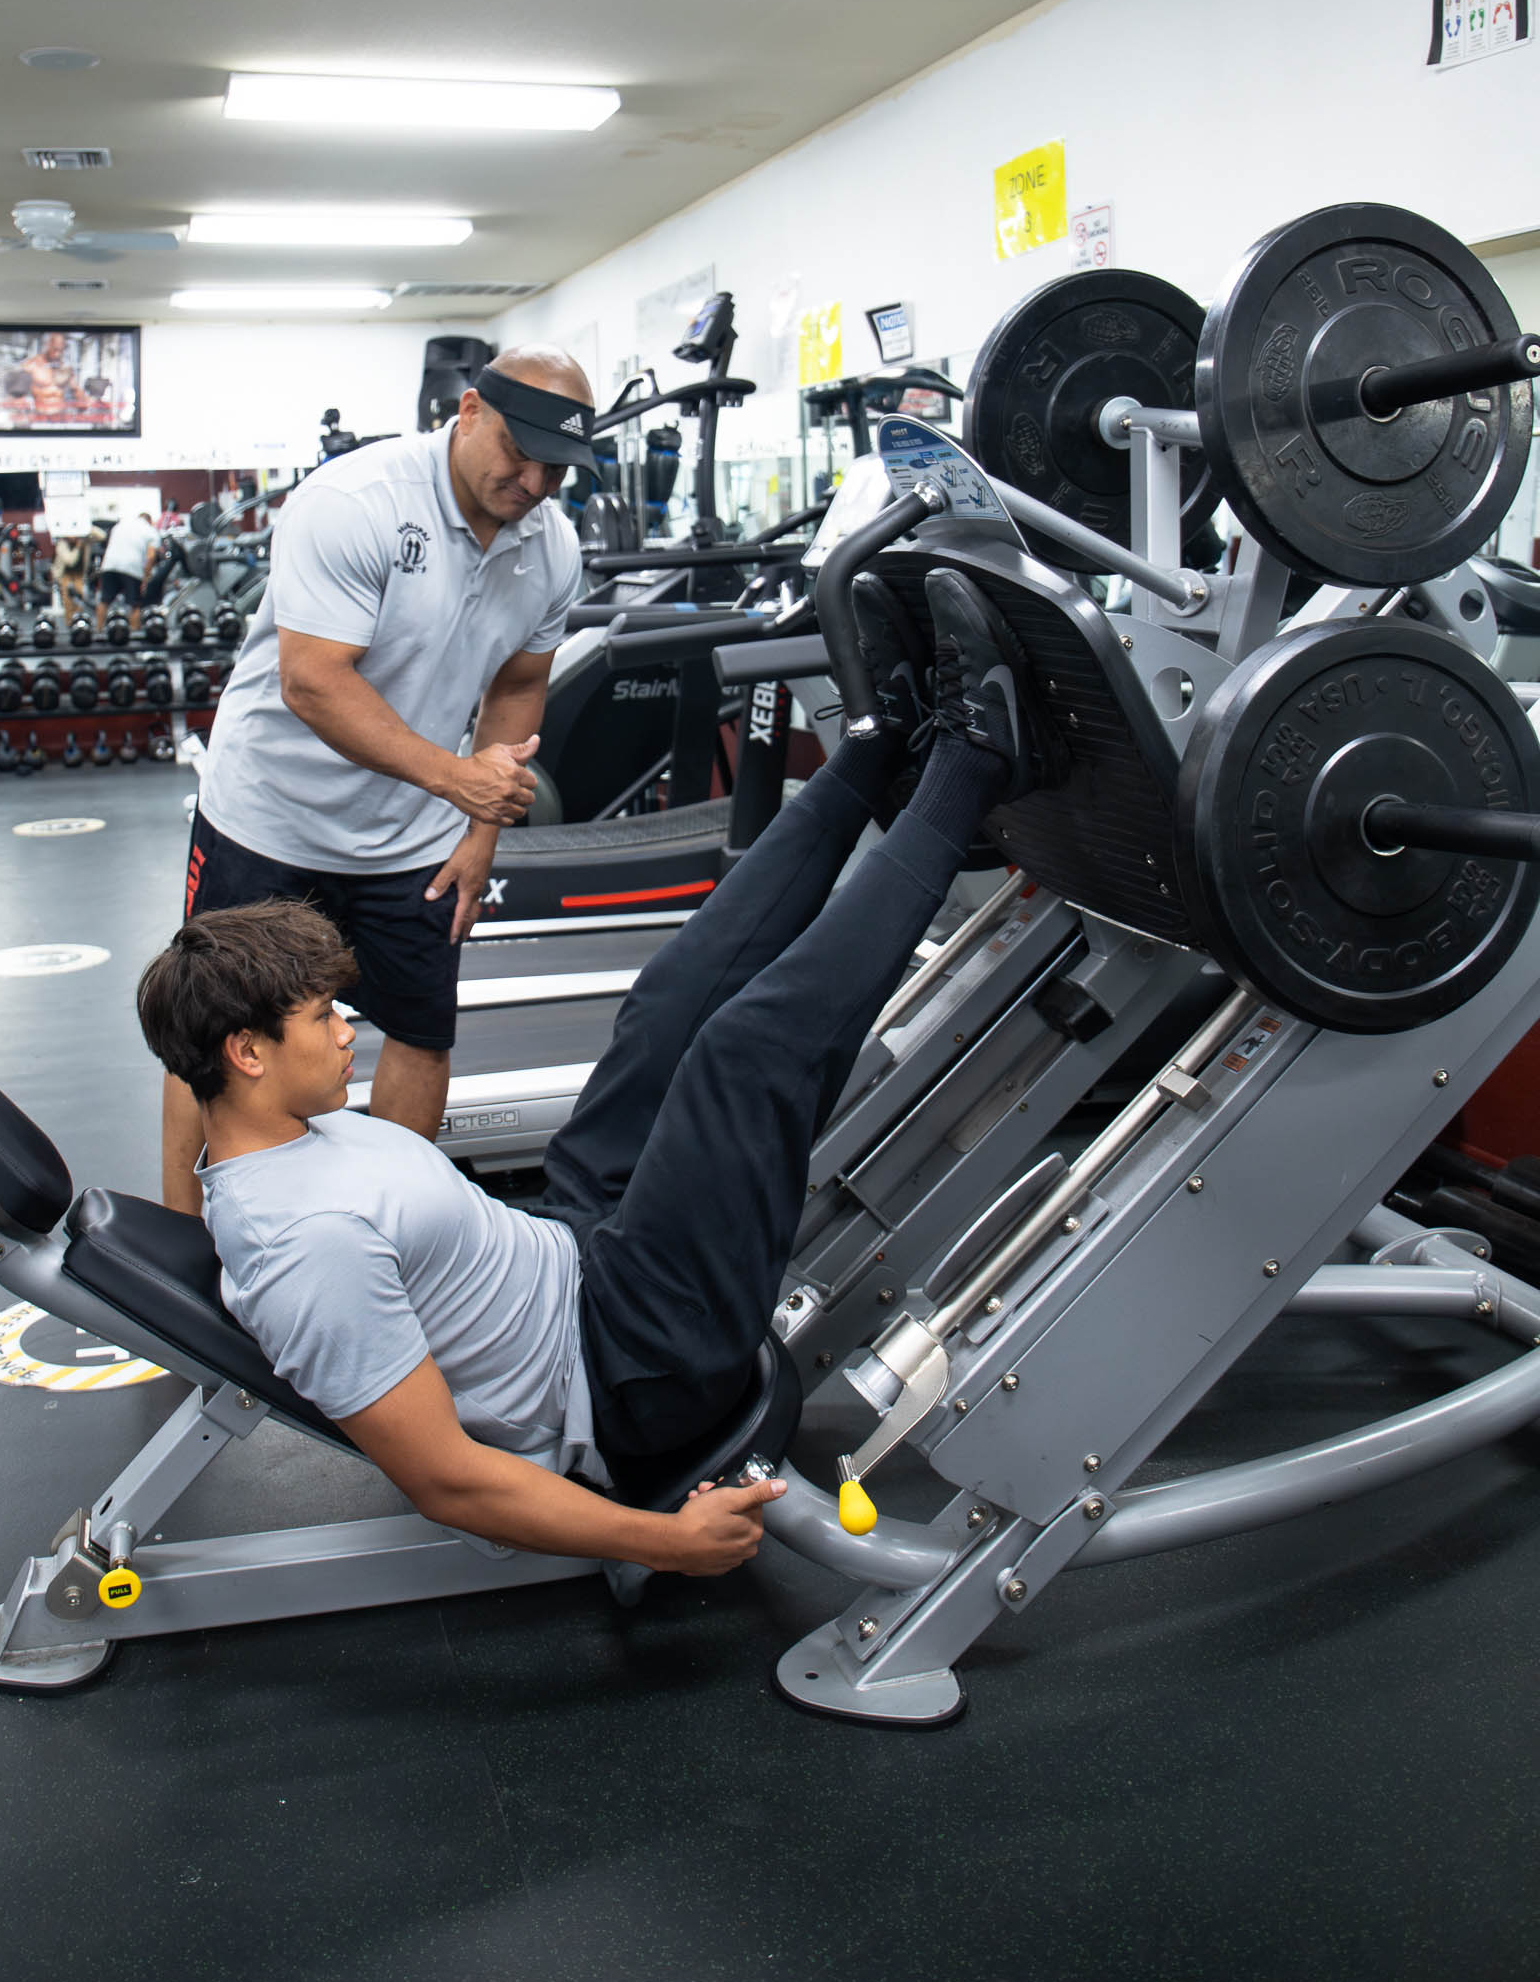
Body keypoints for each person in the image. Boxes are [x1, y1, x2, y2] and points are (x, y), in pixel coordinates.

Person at [135, 570, 1056, 1575]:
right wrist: (666, 1542)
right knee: (743, 1059)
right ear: (246, 1052)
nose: (347, 1034)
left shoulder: (285, 1135)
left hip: (576, 1247)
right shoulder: (306, 1252)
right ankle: (974, 759)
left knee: (665, 1009)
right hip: (632, 1365)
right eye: (321, 1019)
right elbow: (447, 1478)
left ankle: (878, 750)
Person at [159, 346, 603, 1217]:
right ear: (469, 411)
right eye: (520, 451)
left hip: (411, 842)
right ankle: (185, 1251)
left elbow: (518, 684)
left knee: (422, 1035)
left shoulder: (550, 547)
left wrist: (479, 837)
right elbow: (314, 680)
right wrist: (458, 783)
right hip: (269, 821)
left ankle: (393, 1231)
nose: (535, 480)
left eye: (556, 467)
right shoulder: (353, 502)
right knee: (213, 1040)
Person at [95, 506, 157, 623]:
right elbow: (151, 556)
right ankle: (135, 635)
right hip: (132, 567)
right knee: (135, 605)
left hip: (109, 564)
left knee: (104, 601)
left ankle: (98, 633)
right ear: (149, 521)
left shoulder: (119, 526)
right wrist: (145, 577)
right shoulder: (150, 530)